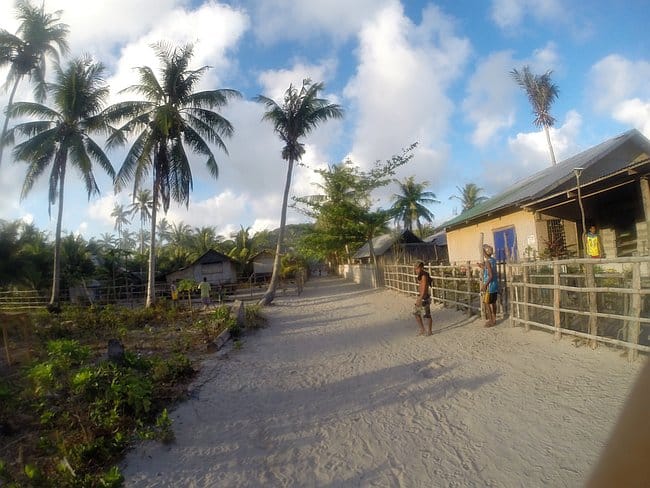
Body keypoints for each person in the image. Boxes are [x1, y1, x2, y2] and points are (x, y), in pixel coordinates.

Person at [481, 244, 498, 327]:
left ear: (485, 253)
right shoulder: (493, 260)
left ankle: (491, 321)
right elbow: (489, 269)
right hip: (495, 285)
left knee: (487, 303)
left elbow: (490, 275)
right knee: (493, 303)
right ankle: (494, 319)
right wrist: (483, 267)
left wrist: (485, 285)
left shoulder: (488, 262)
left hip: (489, 286)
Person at [413, 262, 432, 336]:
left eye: (417, 268)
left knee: (427, 315)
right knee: (416, 313)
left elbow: (424, 289)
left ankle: (429, 331)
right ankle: (422, 329)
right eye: (415, 268)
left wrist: (420, 298)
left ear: (421, 268)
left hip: (424, 297)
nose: (416, 270)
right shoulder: (420, 275)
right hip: (421, 296)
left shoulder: (424, 276)